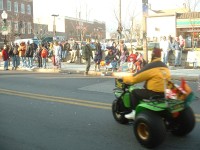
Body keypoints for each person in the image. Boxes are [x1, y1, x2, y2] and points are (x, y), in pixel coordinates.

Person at [122, 48, 171, 120]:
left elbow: (135, 78)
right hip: (165, 93)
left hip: (153, 93)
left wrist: (124, 79)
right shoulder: (165, 66)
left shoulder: (151, 66)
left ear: (152, 55)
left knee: (134, 92)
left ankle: (134, 112)